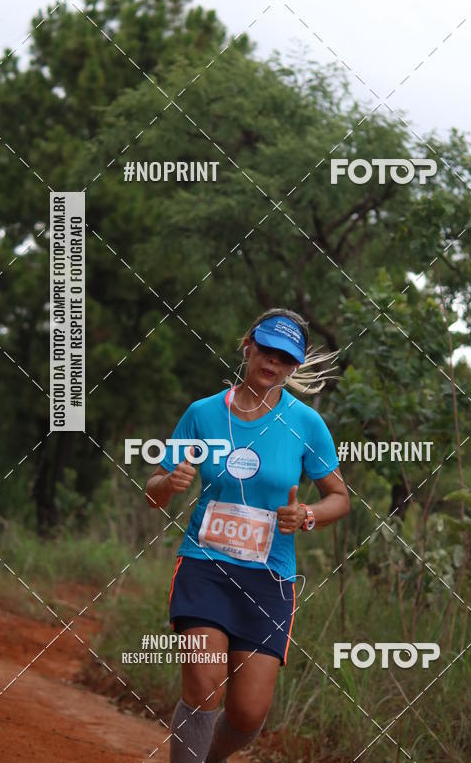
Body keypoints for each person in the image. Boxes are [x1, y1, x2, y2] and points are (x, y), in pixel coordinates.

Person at [145, 308, 350, 763]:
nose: (272, 363)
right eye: (266, 351)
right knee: (203, 687)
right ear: (248, 346)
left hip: (269, 578)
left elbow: (339, 496)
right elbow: (153, 490)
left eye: (285, 358)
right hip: (204, 567)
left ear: (294, 366)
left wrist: (307, 515)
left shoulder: (307, 424)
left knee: (247, 713)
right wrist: (169, 483)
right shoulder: (203, 414)